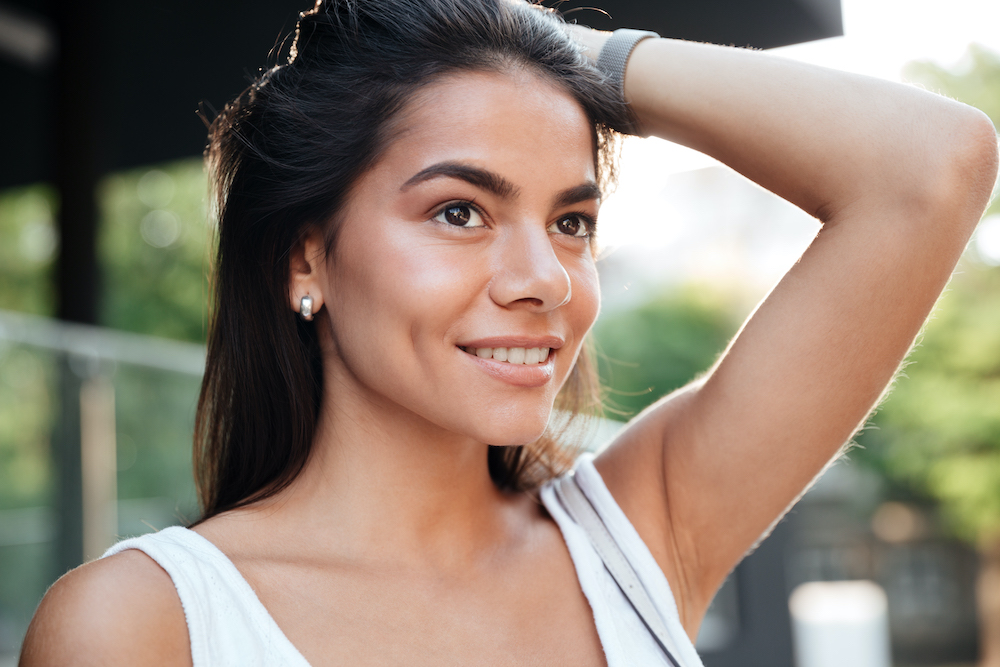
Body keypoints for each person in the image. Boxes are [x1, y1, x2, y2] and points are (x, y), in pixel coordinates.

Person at [20, 0, 998, 665]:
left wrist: (561, 48)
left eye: (571, 222)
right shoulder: (145, 626)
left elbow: (933, 165)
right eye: (459, 211)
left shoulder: (640, 533)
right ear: (304, 257)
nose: (543, 281)